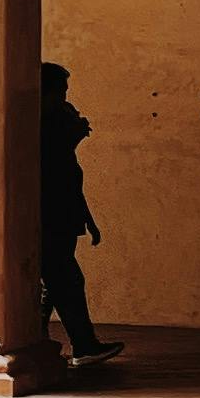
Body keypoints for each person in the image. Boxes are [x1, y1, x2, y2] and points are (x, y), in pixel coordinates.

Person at [38, 62, 123, 368]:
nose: (64, 98)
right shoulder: (42, 128)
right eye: (59, 91)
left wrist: (88, 218)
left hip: (62, 213)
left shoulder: (56, 120)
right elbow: (54, 170)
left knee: (53, 284)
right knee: (65, 281)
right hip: (51, 216)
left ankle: (39, 343)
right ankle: (81, 345)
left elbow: (69, 176)